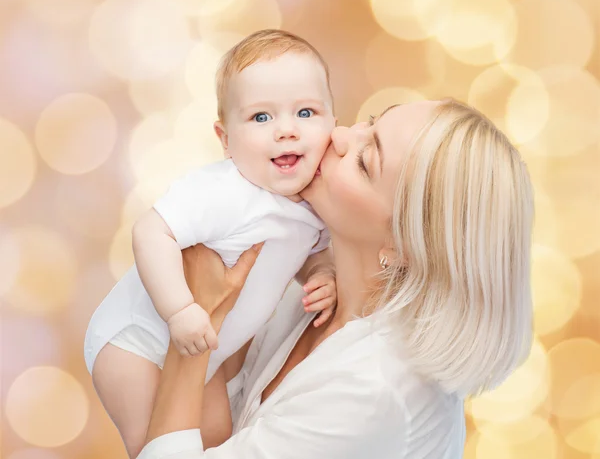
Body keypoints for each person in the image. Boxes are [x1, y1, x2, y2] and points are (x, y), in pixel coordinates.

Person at [137, 98, 534, 458]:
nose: (339, 134)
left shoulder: (375, 391)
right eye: (370, 122)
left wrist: (197, 320)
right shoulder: (315, 292)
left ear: (403, 247)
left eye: (365, 162)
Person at [84, 30, 340, 458]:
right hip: (135, 344)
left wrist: (321, 274)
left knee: (219, 440)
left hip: (207, 355)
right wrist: (180, 309)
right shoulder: (224, 193)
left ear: (333, 120)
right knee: (154, 442)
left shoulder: (316, 202)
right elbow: (151, 232)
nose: (287, 130)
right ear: (225, 139)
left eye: (306, 112)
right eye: (261, 117)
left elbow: (306, 252)